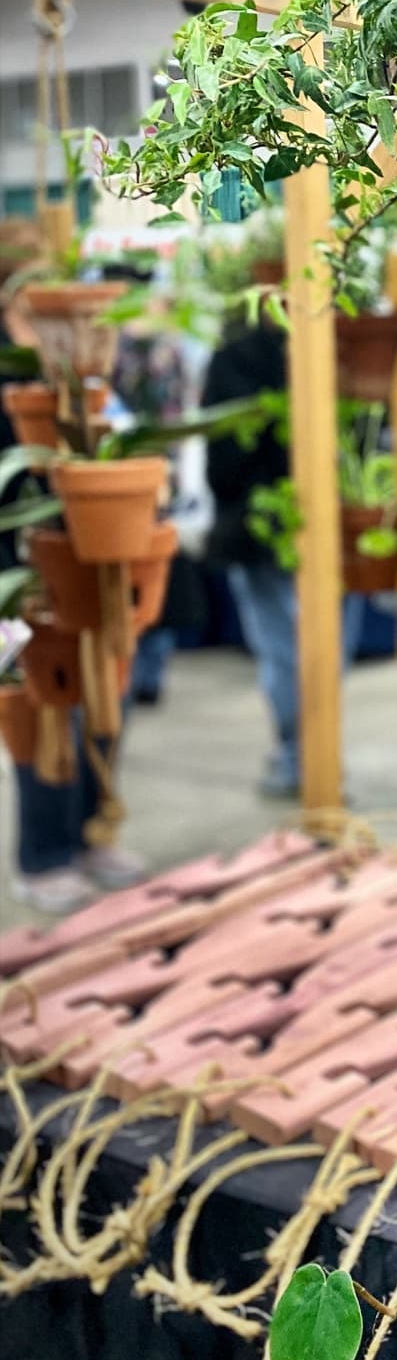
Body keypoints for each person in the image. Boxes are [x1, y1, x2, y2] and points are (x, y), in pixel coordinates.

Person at [1, 276, 144, 912]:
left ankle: (90, 834)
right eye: (36, 312)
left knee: (104, 707)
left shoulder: (89, 378)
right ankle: (43, 857)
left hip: (94, 569)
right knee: (40, 715)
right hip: (21, 578)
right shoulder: (12, 385)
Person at [202, 307, 360, 799]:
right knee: (325, 647)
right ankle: (316, 754)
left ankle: (301, 757)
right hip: (336, 521)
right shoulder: (345, 347)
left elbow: (219, 463)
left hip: (259, 526)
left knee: (281, 650)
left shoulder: (234, 359)